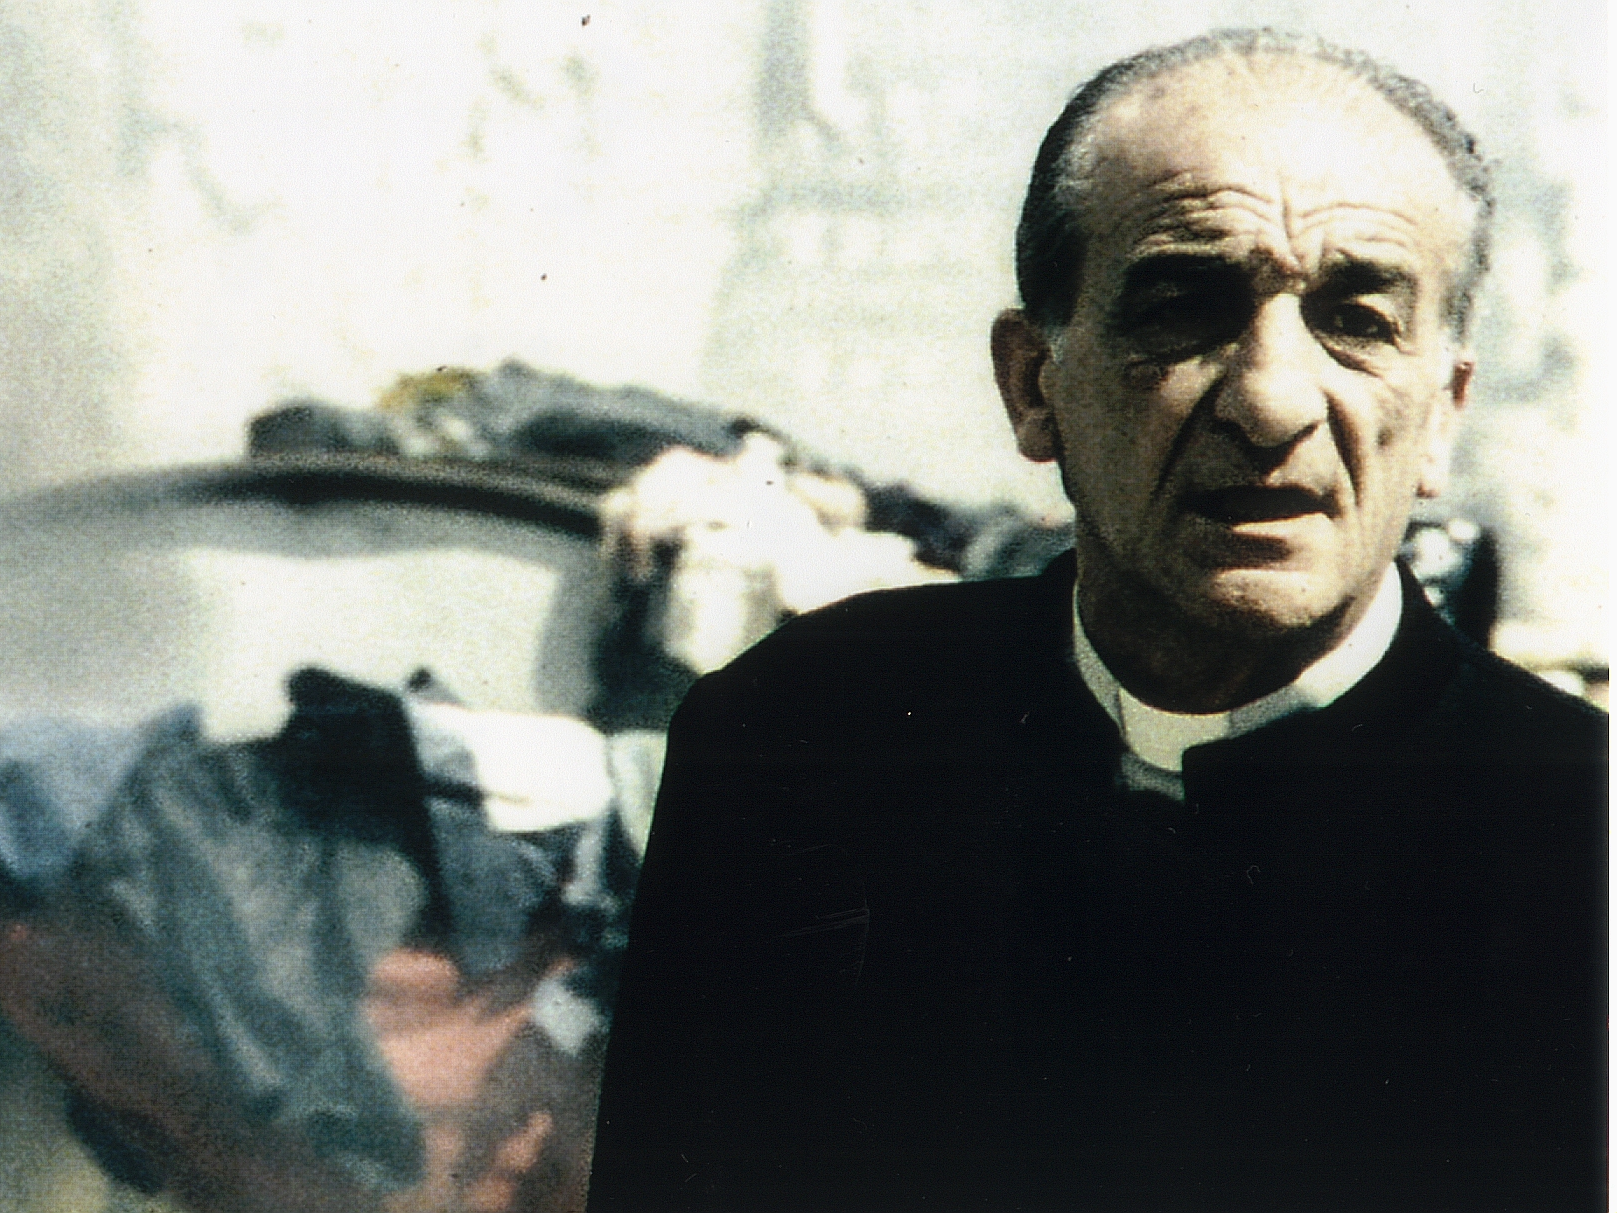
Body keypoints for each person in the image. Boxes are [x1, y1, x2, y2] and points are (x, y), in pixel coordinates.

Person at [587, 28, 1606, 1213]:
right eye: (1182, 307)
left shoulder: (1580, 844)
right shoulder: (794, 741)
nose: (1270, 399)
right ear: (1033, 385)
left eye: (1356, 319)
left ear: (1440, 414)